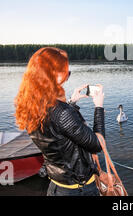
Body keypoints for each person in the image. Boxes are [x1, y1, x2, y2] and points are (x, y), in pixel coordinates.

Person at [14, 47, 105, 196]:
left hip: (56, 186)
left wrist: (72, 103)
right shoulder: (62, 112)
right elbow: (97, 144)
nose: (67, 77)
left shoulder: (31, 105)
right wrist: (99, 107)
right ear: (52, 75)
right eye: (66, 73)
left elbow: (57, 135)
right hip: (78, 190)